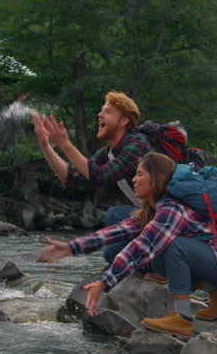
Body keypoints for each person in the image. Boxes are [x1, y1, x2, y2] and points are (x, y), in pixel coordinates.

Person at [37, 152, 217, 339]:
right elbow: (119, 230)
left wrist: (104, 283)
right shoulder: (156, 209)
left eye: (139, 174)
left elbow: (142, 247)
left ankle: (182, 317)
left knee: (176, 247)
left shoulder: (173, 208)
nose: (133, 180)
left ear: (154, 178)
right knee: (138, 249)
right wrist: (70, 247)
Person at [32, 91, 151, 263]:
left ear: (124, 120)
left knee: (114, 215)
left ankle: (157, 260)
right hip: (150, 216)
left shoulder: (137, 144)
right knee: (111, 254)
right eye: (101, 110)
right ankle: (149, 265)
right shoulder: (107, 153)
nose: (100, 114)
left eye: (108, 111)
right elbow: (71, 177)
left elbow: (101, 176)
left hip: (169, 219)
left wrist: (65, 144)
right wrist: (45, 145)